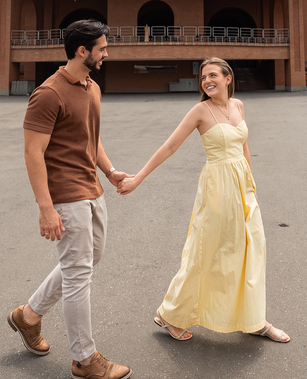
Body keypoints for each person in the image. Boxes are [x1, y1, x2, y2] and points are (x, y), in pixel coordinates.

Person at [118, 58, 290, 344]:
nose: (206, 80)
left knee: (252, 250)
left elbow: (244, 148)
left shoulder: (238, 106)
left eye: (212, 75)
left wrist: (251, 186)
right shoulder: (200, 111)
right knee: (206, 253)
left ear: (227, 78)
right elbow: (170, 146)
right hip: (217, 189)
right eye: (203, 77)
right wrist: (139, 178)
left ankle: (254, 320)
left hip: (243, 188)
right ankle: (170, 314)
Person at [7, 20, 132, 379]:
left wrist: (109, 171)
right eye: (103, 48)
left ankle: (28, 316)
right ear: (83, 51)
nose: (107, 54)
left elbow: (91, 139)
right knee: (79, 274)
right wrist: (46, 208)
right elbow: (33, 153)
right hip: (65, 195)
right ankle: (84, 360)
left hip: (93, 190)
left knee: (86, 261)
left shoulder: (92, 87)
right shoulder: (48, 94)